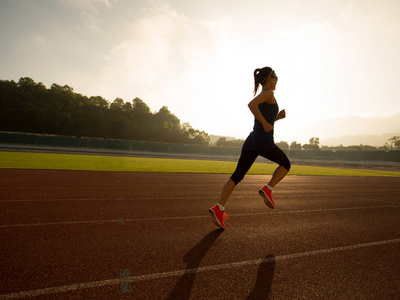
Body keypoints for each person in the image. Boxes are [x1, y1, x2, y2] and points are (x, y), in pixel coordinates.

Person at [209, 67, 291, 229]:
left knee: (237, 175)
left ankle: (219, 208)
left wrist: (276, 118)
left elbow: (264, 115)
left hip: (252, 141)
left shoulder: (265, 95)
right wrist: (265, 123)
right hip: (263, 142)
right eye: (276, 77)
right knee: (286, 164)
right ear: (269, 78)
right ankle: (268, 189)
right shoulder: (268, 93)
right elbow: (251, 105)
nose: (277, 80)